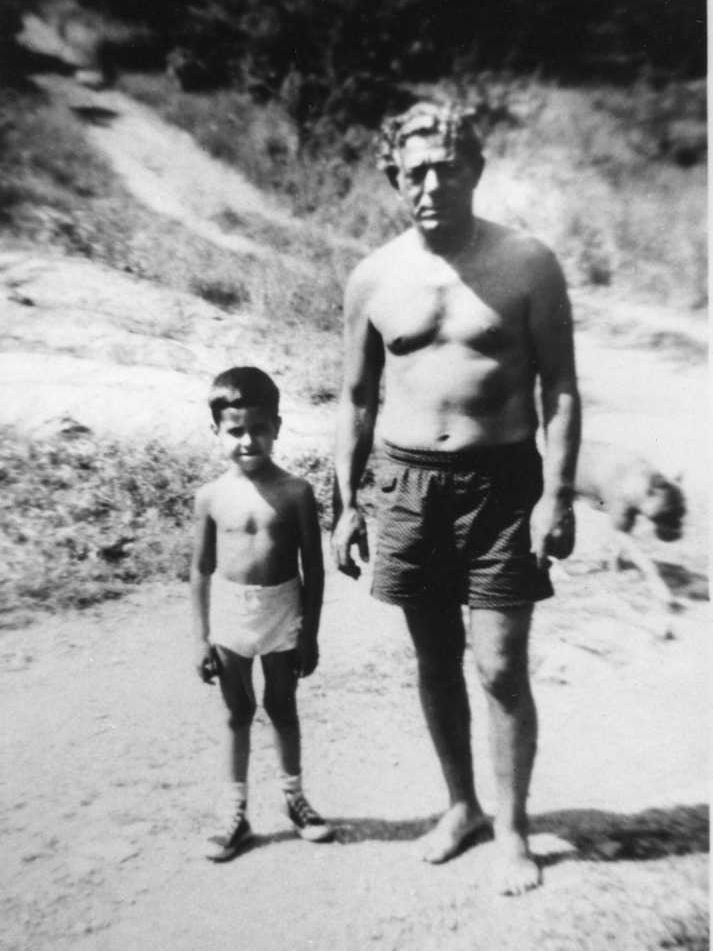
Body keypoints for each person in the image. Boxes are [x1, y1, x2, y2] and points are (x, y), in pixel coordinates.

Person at [333, 102, 580, 895]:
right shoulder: (373, 275)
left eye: (446, 167)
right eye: (414, 171)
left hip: (502, 485)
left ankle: (512, 827)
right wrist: (345, 502)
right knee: (434, 659)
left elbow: (562, 388)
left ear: (473, 168)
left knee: (500, 666)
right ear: (394, 177)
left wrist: (558, 495)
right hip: (405, 485)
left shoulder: (527, 264)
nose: (430, 183)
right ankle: (461, 806)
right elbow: (353, 397)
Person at [191, 366, 334, 862]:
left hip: (282, 611)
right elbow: (200, 569)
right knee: (237, 713)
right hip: (231, 615)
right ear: (217, 432)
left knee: (281, 705)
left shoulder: (297, 492)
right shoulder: (209, 497)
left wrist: (310, 633)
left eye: (259, 429)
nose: (248, 441)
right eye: (235, 431)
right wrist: (199, 638)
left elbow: (314, 570)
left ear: (277, 425)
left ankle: (296, 801)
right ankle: (235, 813)